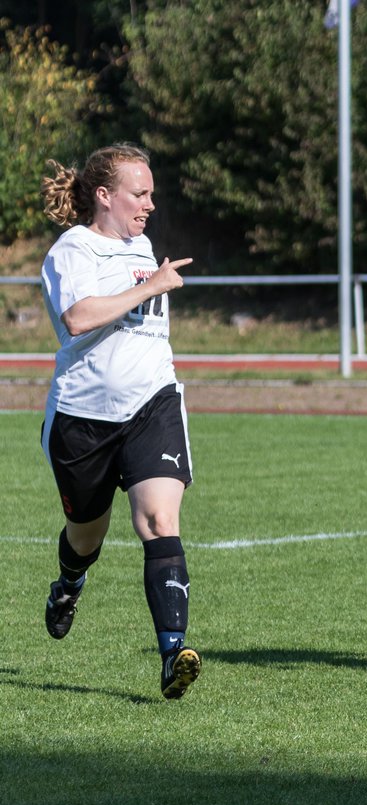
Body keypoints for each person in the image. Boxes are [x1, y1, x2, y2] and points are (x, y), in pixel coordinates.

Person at [38, 143, 201, 700]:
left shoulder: (144, 245)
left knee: (159, 521)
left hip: (151, 405)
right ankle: (69, 583)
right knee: (86, 536)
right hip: (82, 420)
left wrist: (147, 279)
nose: (150, 204)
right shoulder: (71, 250)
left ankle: (173, 653)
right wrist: (150, 285)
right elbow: (78, 318)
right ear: (104, 196)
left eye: (152, 193)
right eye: (140, 193)